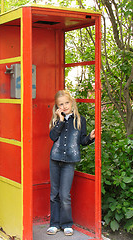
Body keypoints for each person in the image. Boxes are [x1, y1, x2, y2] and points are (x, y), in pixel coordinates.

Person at [47, 90, 95, 236]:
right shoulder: (57, 120)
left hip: (70, 160)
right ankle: (54, 224)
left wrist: (90, 138)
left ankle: (66, 224)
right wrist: (61, 121)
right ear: (57, 107)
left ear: (72, 102)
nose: (65, 106)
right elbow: (52, 136)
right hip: (55, 159)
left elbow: (81, 141)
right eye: (61, 104)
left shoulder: (80, 120)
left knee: (65, 194)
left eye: (67, 102)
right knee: (54, 193)